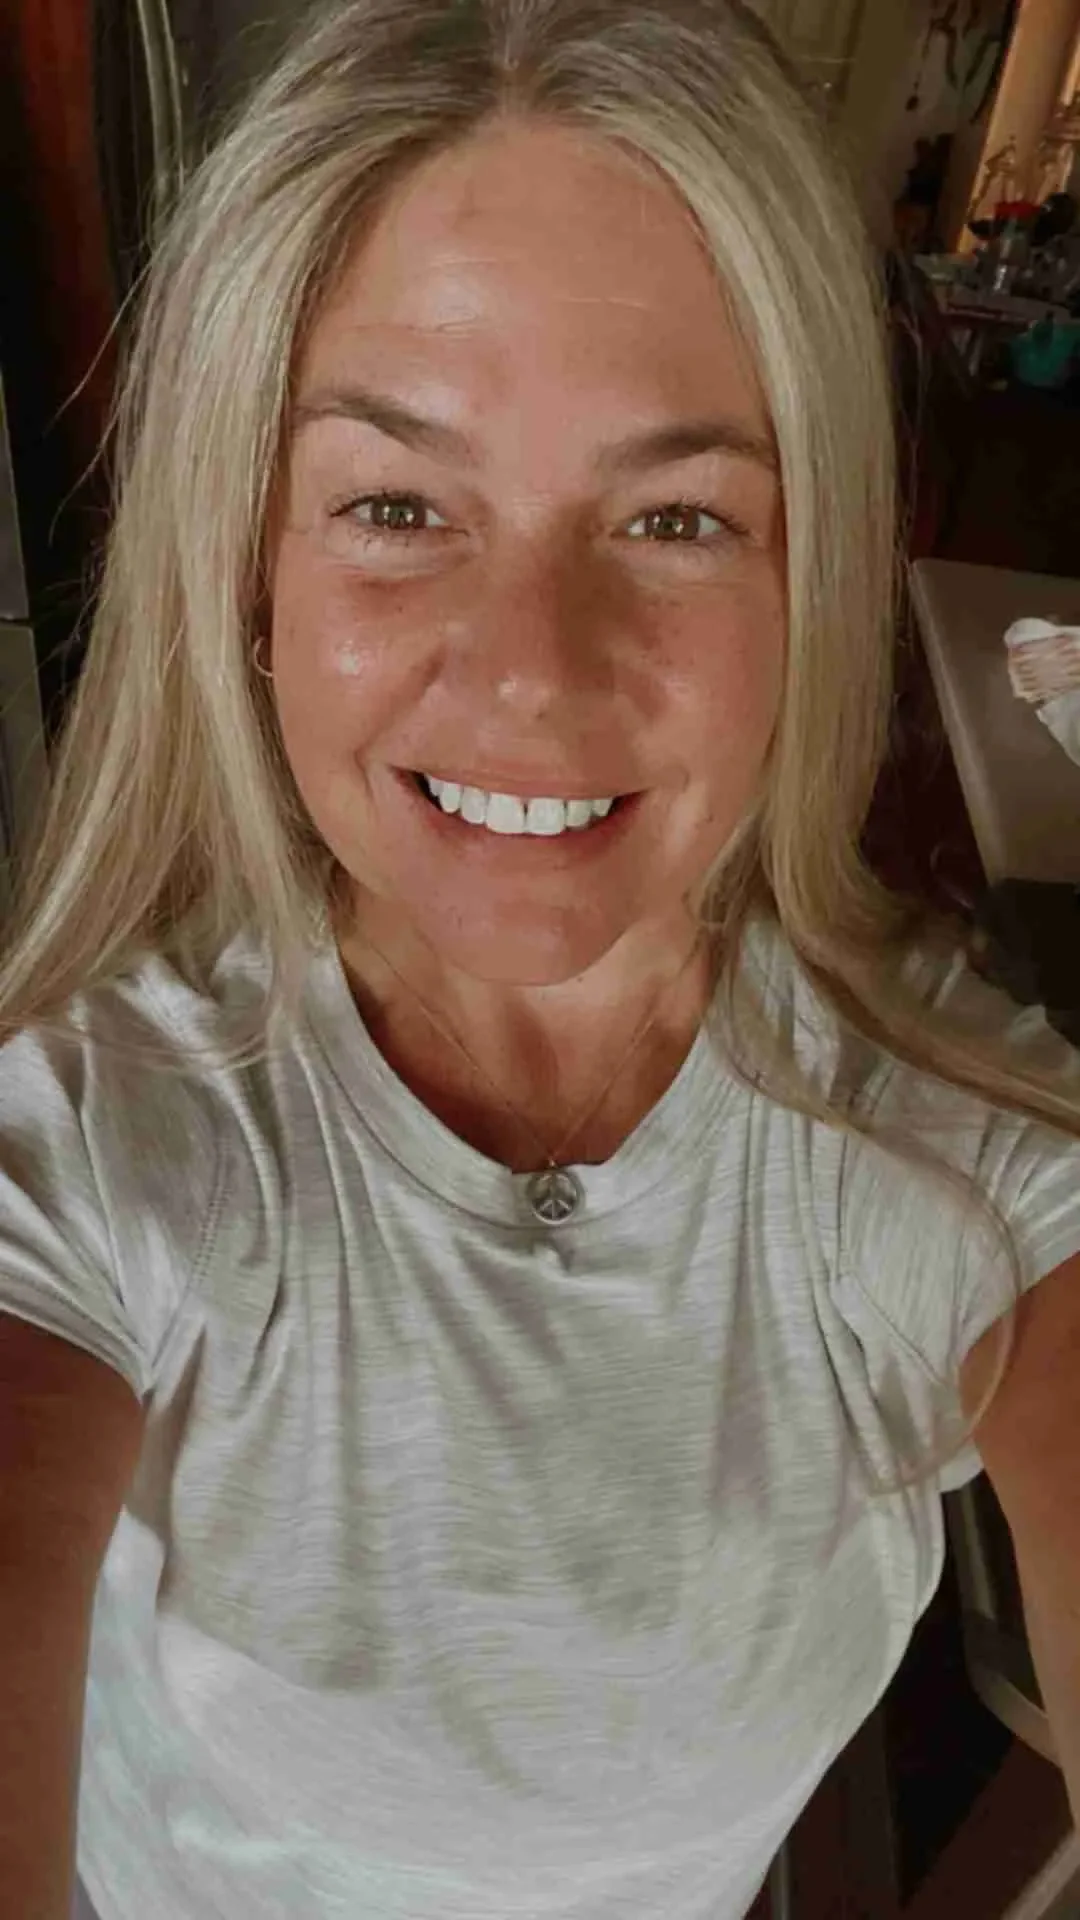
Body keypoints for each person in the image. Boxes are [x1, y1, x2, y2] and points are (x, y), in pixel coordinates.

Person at [1, 3, 1078, 1917]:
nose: (530, 671)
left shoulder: (953, 1150)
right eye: (397, 506)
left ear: (809, 577)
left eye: (675, 516)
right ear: (249, 575)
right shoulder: (90, 1151)